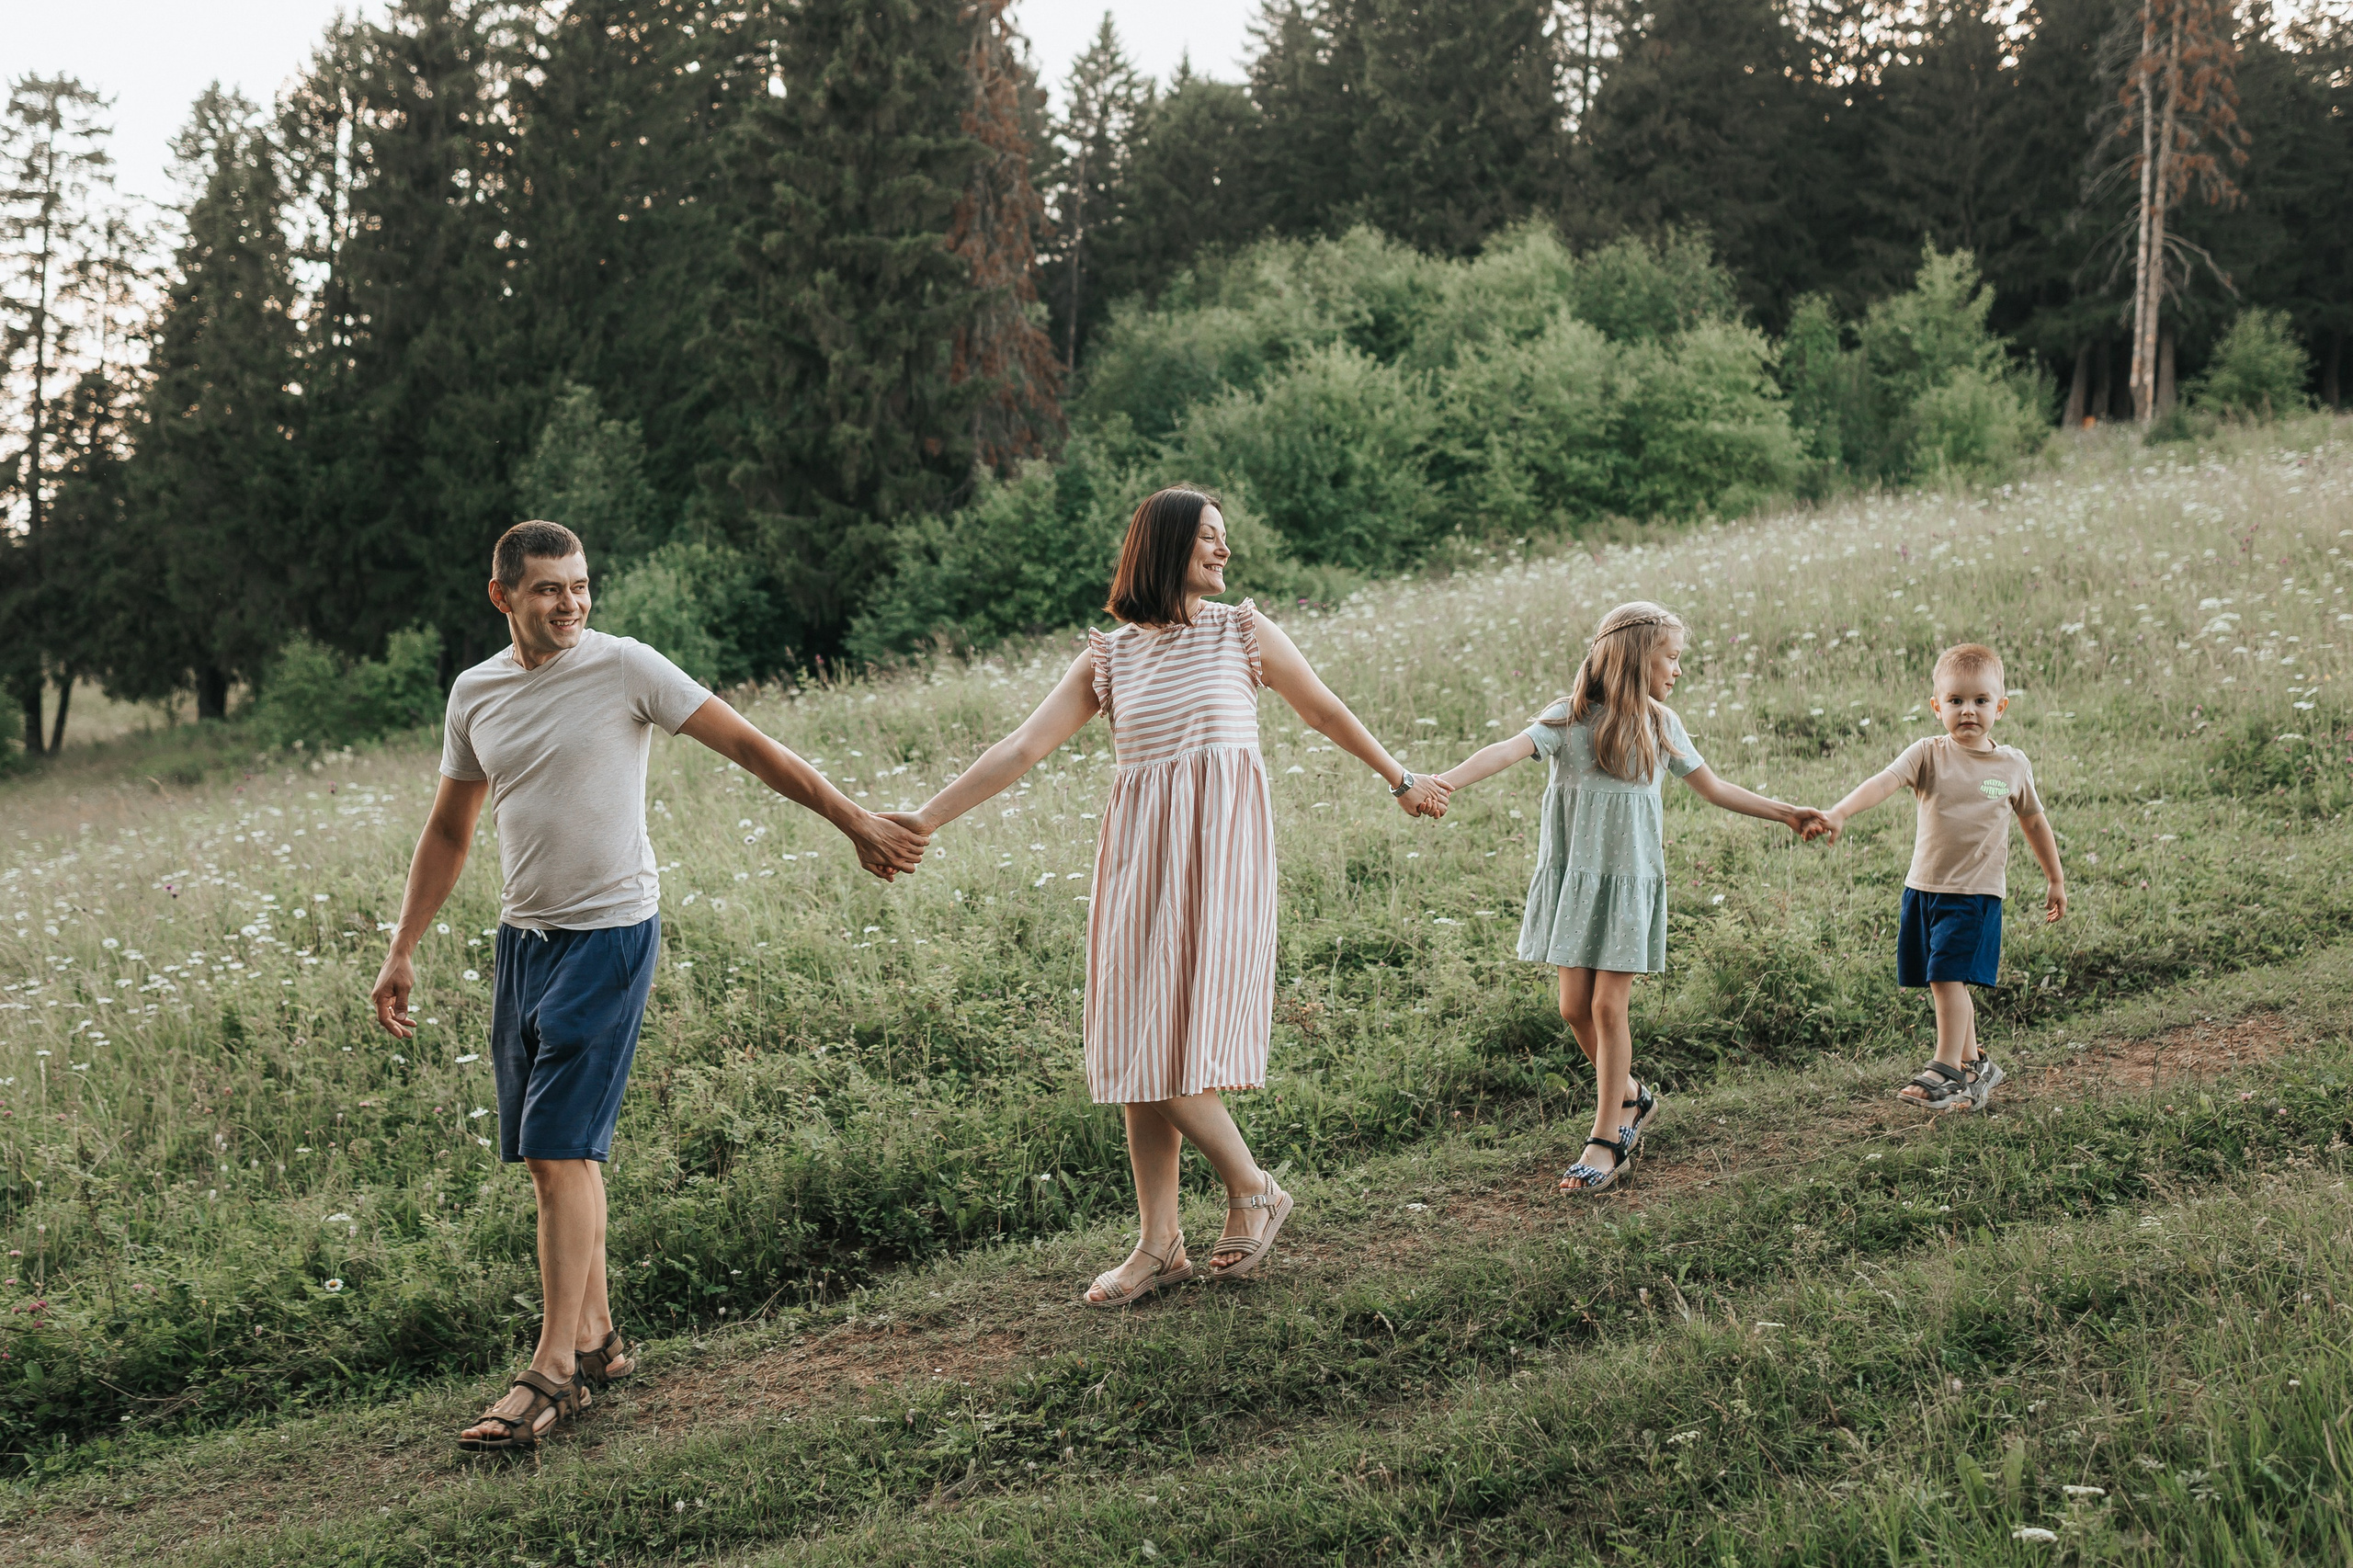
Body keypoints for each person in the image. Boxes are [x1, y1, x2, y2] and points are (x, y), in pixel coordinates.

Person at [369, 519, 928, 1451]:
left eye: (580, 584)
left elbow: (752, 748)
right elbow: (448, 832)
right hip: (524, 941)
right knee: (557, 1151)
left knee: (556, 1149)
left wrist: (852, 819)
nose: (571, 602)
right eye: (548, 588)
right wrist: (401, 947)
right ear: (502, 594)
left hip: (610, 933)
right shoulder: (476, 693)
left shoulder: (625, 666)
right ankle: (597, 1338)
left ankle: (551, 1372)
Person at [887, 486, 1447, 1306]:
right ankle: (1160, 1243)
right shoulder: (1108, 657)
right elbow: (1021, 747)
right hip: (1139, 863)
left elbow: (1324, 711)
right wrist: (927, 818)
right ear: (1166, 547)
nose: (1224, 551)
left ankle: (1252, 1189)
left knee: (1174, 1050)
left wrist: (1400, 779)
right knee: (1133, 1050)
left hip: (1218, 859)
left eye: (1225, 538)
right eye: (1208, 538)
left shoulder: (1242, 632)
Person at [1430, 601, 1828, 1194]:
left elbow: (1713, 788)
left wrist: (1786, 812)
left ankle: (1606, 1134)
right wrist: (1442, 783)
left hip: (1628, 885)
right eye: (1671, 657)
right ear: (1639, 657)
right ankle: (1633, 1096)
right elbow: (1506, 751)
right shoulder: (1569, 719)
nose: (1678, 669)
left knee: (1608, 1009)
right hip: (1575, 879)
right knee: (1572, 1008)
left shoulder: (1662, 724)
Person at [1817, 642, 2065, 1112]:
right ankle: (1975, 1067)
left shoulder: (2011, 765)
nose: (1967, 711)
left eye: (1980, 701)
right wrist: (1841, 811)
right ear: (1937, 707)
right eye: (1955, 701)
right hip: (1924, 889)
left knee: (1947, 979)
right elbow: (1882, 782)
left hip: (1975, 895)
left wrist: (2055, 878)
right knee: (1944, 978)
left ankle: (1945, 1068)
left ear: (2000, 706)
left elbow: (2034, 821)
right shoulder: (1927, 755)